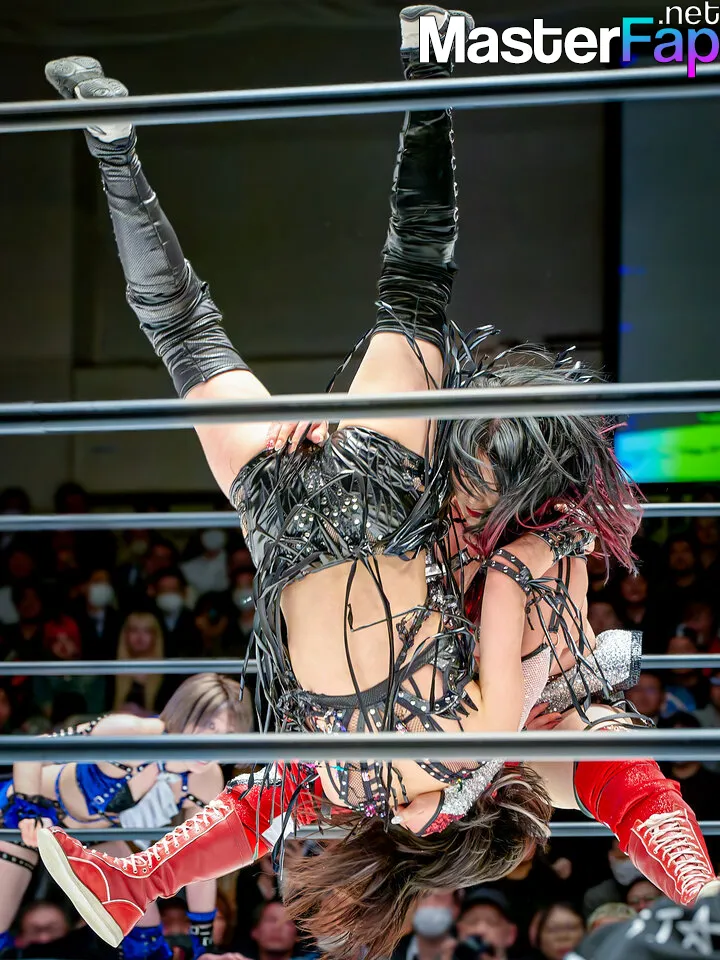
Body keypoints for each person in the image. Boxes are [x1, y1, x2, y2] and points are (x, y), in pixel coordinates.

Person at [34, 8, 720, 958]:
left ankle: (425, 67)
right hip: (295, 518)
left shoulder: (466, 734)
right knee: (186, 330)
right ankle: (113, 148)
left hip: (373, 512)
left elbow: (511, 576)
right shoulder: (367, 773)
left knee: (414, 278)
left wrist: (548, 550)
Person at [0, 674, 251, 958]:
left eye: (227, 733)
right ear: (185, 710)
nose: (213, 742)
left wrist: (204, 948)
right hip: (24, 814)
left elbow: (199, 860)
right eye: (209, 725)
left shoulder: (206, 778)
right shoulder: (131, 731)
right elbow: (32, 749)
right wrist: (29, 810)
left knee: (146, 941)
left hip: (95, 833)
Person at [112, 612, 166, 715]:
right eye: (134, 630)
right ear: (126, 635)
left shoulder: (168, 673)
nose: (140, 637)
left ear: (155, 636)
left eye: (147, 631)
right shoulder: (111, 671)